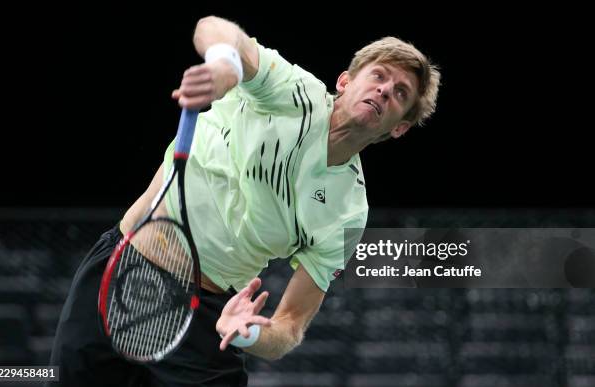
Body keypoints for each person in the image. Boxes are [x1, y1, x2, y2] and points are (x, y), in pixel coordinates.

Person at [48, 15, 440, 387]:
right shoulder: (292, 91)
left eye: (400, 93)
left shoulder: (348, 212)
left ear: (400, 127)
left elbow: (291, 326)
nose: (385, 90)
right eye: (378, 76)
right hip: (122, 270)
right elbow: (214, 28)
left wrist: (250, 334)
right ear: (344, 81)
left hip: (204, 316)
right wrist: (223, 67)